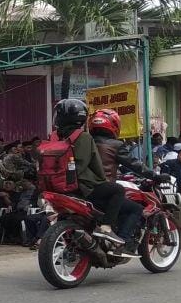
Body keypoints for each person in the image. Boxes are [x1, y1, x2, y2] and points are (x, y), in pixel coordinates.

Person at [52, 99, 138, 255]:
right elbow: (90, 163)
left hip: (58, 186)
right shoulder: (83, 137)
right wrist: (101, 180)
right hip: (81, 187)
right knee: (118, 190)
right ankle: (107, 229)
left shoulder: (54, 137)